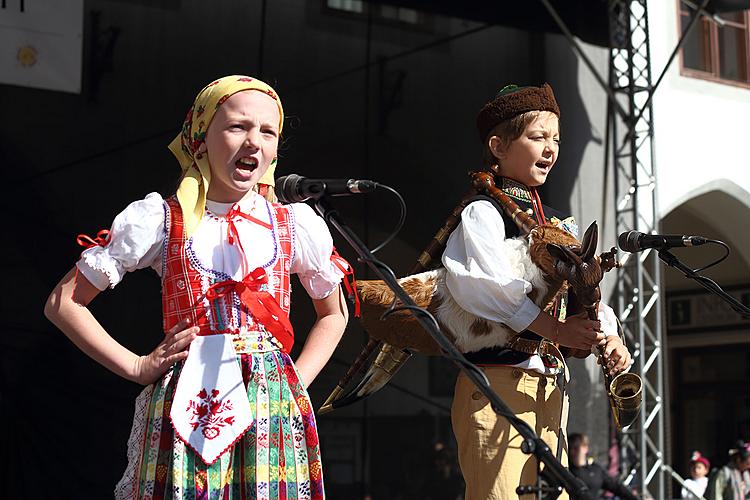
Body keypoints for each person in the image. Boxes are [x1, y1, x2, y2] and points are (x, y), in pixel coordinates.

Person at [44, 75, 349, 499]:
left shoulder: (293, 223)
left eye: (267, 131)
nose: (253, 142)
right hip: (191, 402)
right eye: (238, 127)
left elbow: (333, 313)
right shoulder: (163, 219)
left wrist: (296, 383)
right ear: (201, 138)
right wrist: (136, 366)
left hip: (271, 407)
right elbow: (64, 303)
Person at [444, 83, 633, 500]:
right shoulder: (483, 213)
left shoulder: (557, 227)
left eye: (557, 140)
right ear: (497, 145)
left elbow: (581, 292)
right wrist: (559, 331)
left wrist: (609, 333)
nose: (551, 148)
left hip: (550, 390)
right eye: (537, 137)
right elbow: (486, 289)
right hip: (497, 383)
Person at [567, 433, 638, 499]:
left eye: (576, 448)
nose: (572, 452)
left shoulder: (596, 470)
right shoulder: (566, 468)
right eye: (570, 448)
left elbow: (616, 486)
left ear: (585, 448)